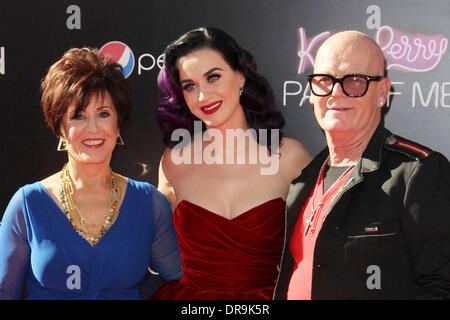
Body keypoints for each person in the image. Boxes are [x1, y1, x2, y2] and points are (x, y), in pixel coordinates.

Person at [273, 30, 450, 300]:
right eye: (324, 80)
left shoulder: (417, 173)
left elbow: (442, 287)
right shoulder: (303, 181)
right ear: (311, 92)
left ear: (382, 92)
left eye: (355, 81)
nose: (336, 92)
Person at [0, 47, 182, 299]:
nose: (93, 128)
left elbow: (184, 281)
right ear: (60, 127)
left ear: (118, 125)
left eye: (104, 114)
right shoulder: (28, 205)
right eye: (78, 116)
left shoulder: (148, 203)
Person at [151, 27, 311, 300]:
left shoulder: (289, 157)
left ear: (240, 76)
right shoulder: (174, 161)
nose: (203, 96)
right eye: (190, 85)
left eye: (213, 77)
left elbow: (316, 252)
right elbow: (156, 248)